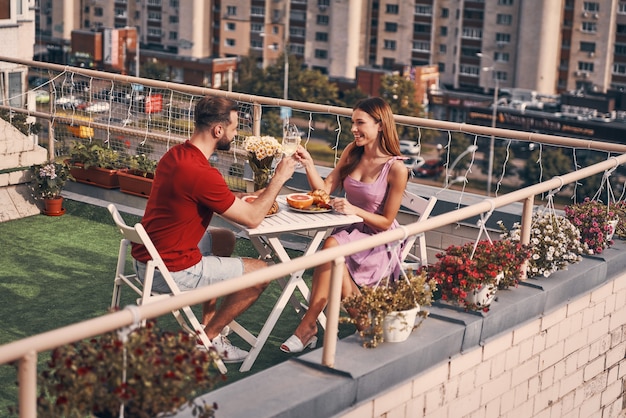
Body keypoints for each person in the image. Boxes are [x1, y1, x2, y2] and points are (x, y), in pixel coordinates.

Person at [131, 95, 297, 363]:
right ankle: (208, 338)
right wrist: (280, 178)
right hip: (171, 270)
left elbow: (221, 198)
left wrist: (254, 195)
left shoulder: (178, 154)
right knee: (264, 272)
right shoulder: (200, 173)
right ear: (218, 130)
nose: (235, 134)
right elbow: (253, 219)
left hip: (148, 260)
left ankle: (208, 327)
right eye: (233, 129)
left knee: (224, 239)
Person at [281, 96, 409, 353]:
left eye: (360, 123)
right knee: (333, 251)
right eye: (352, 122)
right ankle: (360, 325)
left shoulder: (396, 169)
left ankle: (309, 326)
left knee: (331, 246)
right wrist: (308, 165)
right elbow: (325, 191)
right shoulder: (353, 151)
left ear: (380, 125)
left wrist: (354, 209)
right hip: (351, 232)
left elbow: (386, 223)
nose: (353, 128)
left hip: (379, 240)